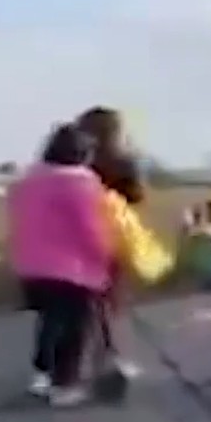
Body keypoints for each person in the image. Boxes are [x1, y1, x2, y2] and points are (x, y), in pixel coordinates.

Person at [7, 124, 114, 407]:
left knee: (50, 321)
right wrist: (105, 255)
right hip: (72, 267)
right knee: (75, 326)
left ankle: (41, 374)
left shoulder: (28, 181)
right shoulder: (81, 182)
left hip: (31, 265)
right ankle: (64, 384)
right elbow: (90, 227)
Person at [74, 107, 145, 379]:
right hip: (114, 233)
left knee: (85, 303)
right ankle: (112, 356)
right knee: (112, 300)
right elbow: (136, 195)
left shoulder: (79, 160)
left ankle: (83, 361)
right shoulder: (124, 162)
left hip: (80, 237)